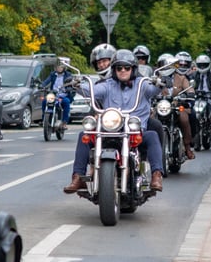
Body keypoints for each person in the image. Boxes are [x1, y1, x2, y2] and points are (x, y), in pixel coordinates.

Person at [62, 49, 165, 193]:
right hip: (109, 130)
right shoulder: (107, 85)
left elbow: (155, 90)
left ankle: (156, 175)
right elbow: (92, 91)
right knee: (84, 135)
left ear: (133, 69)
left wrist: (162, 83)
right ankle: (78, 177)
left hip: (135, 131)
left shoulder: (142, 84)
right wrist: (76, 85)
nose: (123, 71)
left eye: (127, 67)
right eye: (119, 67)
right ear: (114, 70)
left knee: (152, 135)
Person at [171, 51, 197, 160]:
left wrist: (190, 95)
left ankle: (187, 146)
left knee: (184, 118)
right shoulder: (159, 77)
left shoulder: (181, 78)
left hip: (178, 106)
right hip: (162, 107)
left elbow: (189, 89)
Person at [41, 57, 74, 127]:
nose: (59, 68)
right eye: (57, 67)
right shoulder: (52, 74)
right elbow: (47, 81)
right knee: (44, 101)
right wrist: (42, 86)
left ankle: (64, 122)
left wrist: (69, 88)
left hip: (63, 95)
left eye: (60, 67)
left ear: (64, 68)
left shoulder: (68, 75)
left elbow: (71, 83)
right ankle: (44, 119)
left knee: (66, 102)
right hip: (53, 95)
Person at [193, 54, 211, 135]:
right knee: (191, 112)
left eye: (204, 65)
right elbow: (189, 85)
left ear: (208, 65)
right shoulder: (194, 75)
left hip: (209, 97)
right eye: (200, 65)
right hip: (196, 97)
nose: (202, 67)